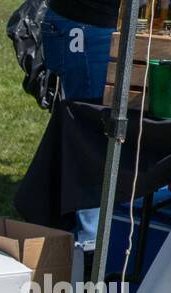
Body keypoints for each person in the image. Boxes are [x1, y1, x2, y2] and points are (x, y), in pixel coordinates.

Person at [40, 0, 119, 249]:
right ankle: (87, 243)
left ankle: (84, 235)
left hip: (92, 26)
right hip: (87, 25)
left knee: (90, 132)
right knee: (90, 135)